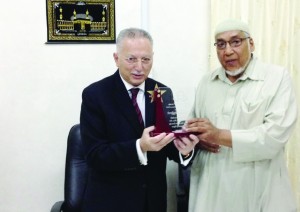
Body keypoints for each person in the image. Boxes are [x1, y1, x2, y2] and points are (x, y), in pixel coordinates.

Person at [80, 27, 199, 212]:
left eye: (146, 59)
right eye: (131, 59)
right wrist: (140, 147)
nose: (139, 67)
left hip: (152, 202)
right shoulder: (95, 95)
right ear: (116, 58)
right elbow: (96, 155)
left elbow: (166, 144)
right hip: (111, 202)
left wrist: (185, 151)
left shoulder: (162, 91)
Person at [184, 19, 298, 212]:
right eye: (221, 44)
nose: (227, 51)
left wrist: (218, 135)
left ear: (251, 43)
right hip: (211, 193)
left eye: (235, 42)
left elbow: (273, 137)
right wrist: (196, 139)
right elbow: (193, 128)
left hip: (259, 191)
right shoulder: (206, 82)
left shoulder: (277, 78)